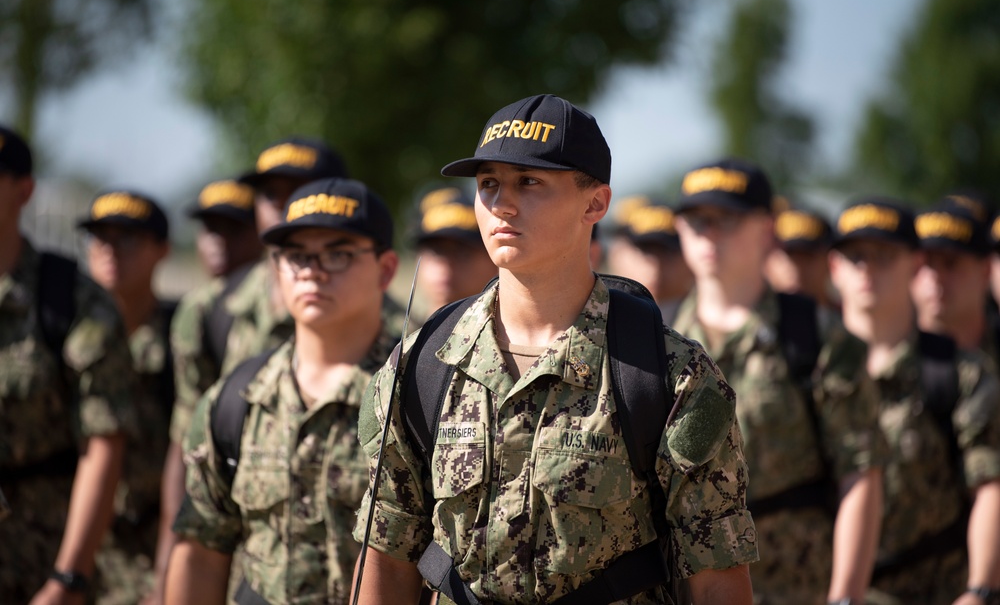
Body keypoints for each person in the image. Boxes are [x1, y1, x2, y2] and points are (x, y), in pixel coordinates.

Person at [352, 94, 758, 604]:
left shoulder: (669, 375)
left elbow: (716, 576)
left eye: (530, 182)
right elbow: (388, 554)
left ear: (595, 203)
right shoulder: (423, 365)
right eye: (488, 184)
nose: (502, 203)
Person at [166, 177, 400, 605]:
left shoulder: (416, 394)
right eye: (296, 256)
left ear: (385, 269)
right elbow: (201, 549)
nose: (312, 270)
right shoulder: (235, 398)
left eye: (338, 254)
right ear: (277, 268)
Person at [671, 158, 885, 605]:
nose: (708, 233)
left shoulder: (815, 334)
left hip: (795, 585)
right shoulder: (658, 336)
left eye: (726, 218)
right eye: (695, 220)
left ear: (767, 230)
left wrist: (845, 596)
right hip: (682, 587)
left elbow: (860, 472)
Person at [155, 136, 351, 602]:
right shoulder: (210, 311)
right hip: (247, 577)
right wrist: (167, 569)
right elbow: (187, 449)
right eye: (271, 194)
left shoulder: (388, 324)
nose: (285, 207)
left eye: (303, 190)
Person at [828, 198, 1000, 605]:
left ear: (912, 263)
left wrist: (979, 590)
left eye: (884, 256)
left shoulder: (958, 372)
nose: (868, 269)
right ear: (835, 267)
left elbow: (990, 483)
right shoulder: (807, 365)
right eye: (856, 257)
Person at [0, 124, 136, 602]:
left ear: (24, 190)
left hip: (36, 558)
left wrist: (68, 577)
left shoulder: (69, 297)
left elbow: (103, 444)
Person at [77, 189, 175, 604]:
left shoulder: (180, 337)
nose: (111, 251)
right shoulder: (66, 331)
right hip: (73, 542)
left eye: (128, 239)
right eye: (101, 238)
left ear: (162, 251)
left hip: (152, 547)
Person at [911, 199, 997, 364]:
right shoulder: (890, 360)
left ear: (985, 271)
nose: (935, 276)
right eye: (925, 264)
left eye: (950, 263)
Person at [412, 186, 496, 317]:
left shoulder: (509, 335)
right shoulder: (403, 335)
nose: (446, 264)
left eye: (463, 253)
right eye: (436, 251)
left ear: (494, 261)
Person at [607, 195, 693, 320]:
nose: (656, 265)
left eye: (668, 252)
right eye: (644, 251)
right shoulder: (596, 321)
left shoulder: (714, 320)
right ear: (616, 255)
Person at [765, 204, 837, 310]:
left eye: (808, 256)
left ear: (830, 262)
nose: (798, 268)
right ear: (766, 263)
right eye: (789, 256)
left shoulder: (851, 322)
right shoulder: (739, 320)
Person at [187, 178, 262, 278]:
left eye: (234, 229)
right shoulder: (203, 293)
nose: (221, 241)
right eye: (212, 229)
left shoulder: (276, 287)